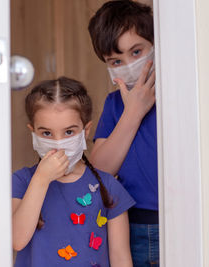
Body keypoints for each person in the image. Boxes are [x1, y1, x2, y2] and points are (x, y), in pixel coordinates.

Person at [12, 77, 135, 267]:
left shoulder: (109, 187)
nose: (59, 143)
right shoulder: (21, 181)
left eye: (69, 132)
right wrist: (41, 179)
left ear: (86, 131)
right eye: (46, 133)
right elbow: (17, 240)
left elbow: (121, 258)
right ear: (33, 132)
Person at [88, 1, 159, 266]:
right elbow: (100, 167)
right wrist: (133, 112)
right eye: (116, 61)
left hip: (180, 218)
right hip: (135, 224)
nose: (129, 65)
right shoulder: (115, 103)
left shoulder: (179, 94)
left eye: (137, 51)